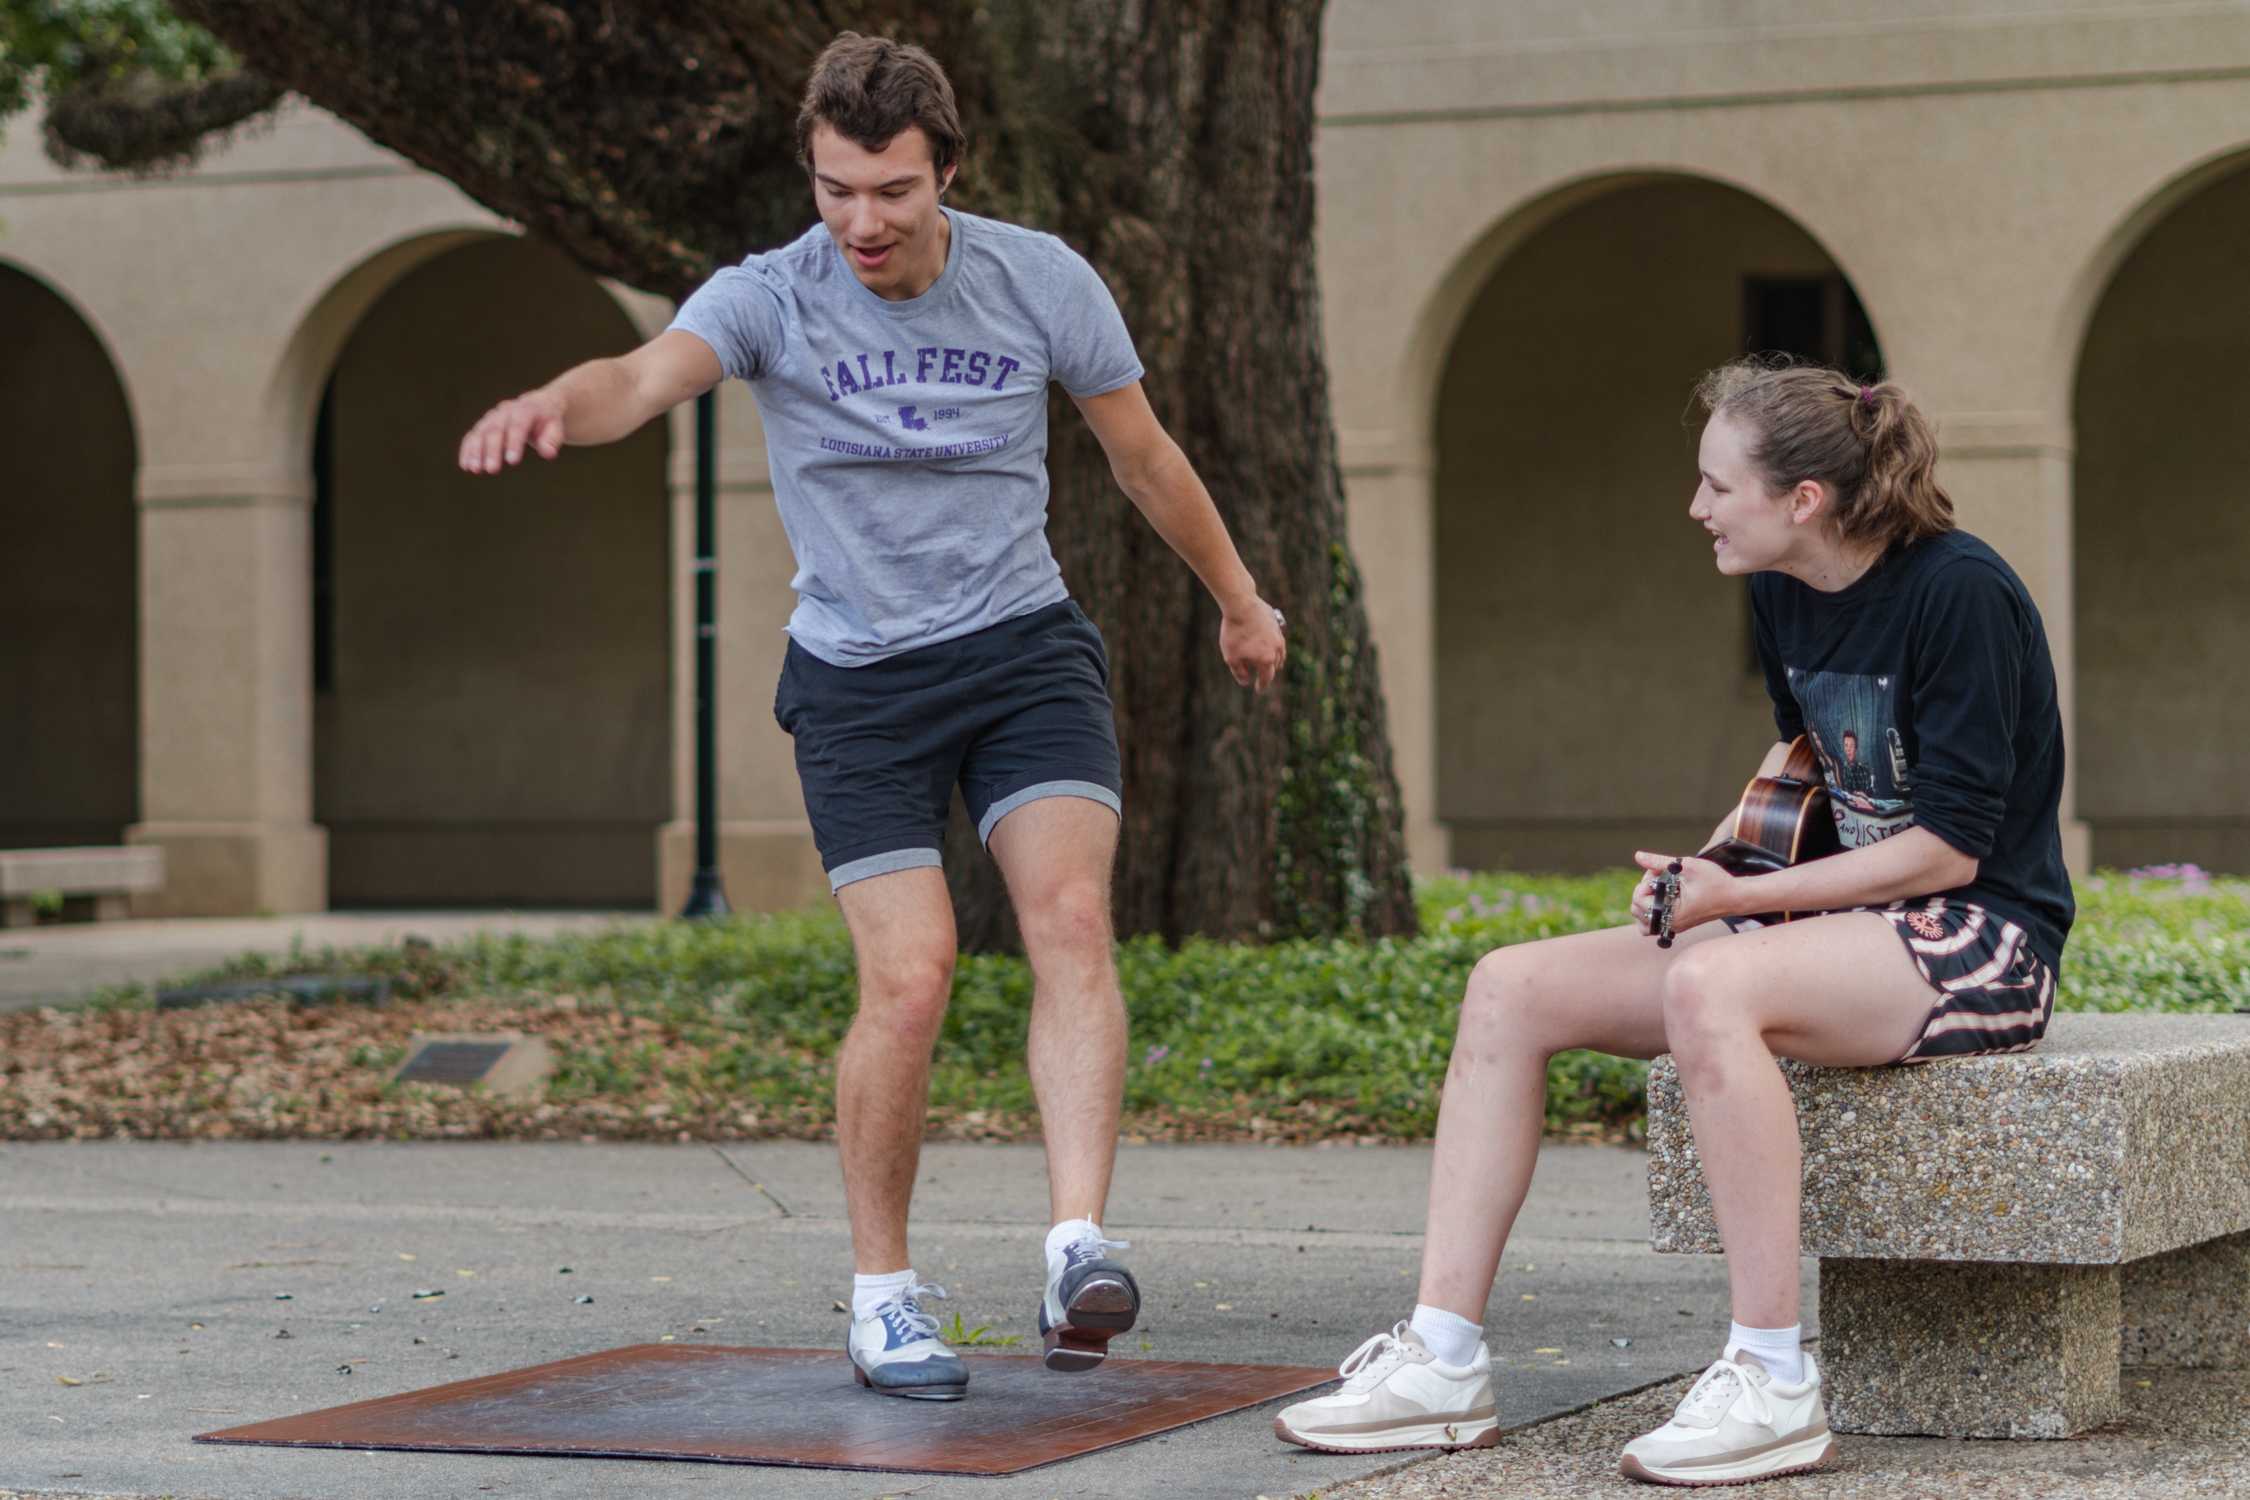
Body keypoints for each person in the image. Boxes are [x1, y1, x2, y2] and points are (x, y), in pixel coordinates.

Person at [458, 32, 1287, 1402]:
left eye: (891, 191)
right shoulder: (769, 297)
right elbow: (641, 376)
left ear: (946, 172)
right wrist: (554, 404)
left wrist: (1241, 603)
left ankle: (1077, 1244)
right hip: (857, 683)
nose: (862, 221)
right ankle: (884, 1296)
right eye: (837, 188)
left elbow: (1143, 459)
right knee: (909, 979)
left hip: (1022, 650)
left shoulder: (1039, 281)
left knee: (1069, 919)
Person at [1273, 358, 2073, 1485]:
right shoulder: (1782, 586)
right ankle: (1442, 1361)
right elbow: (1806, 769)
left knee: (1712, 985)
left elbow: (1951, 845)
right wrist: (1711, 868)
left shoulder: (1960, 593)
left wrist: (1741, 905)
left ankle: (1772, 1378)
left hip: (1982, 939)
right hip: (1837, 938)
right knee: (1510, 985)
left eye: (1716, 485)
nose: (1696, 507)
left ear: (1804, 499)